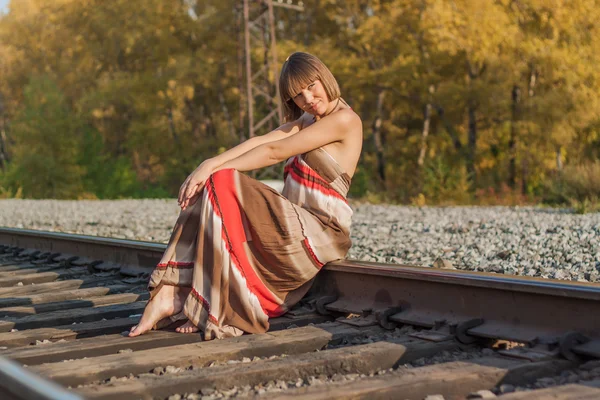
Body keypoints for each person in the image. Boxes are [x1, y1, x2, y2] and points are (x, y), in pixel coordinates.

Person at [129, 51, 363, 339]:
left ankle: (205, 300)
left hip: (321, 231)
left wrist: (215, 171)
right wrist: (208, 164)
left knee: (223, 181)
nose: (308, 98)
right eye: (298, 96)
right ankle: (170, 294)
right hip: (294, 225)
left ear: (325, 77)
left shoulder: (345, 120)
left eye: (312, 86)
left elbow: (274, 152)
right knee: (215, 182)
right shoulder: (310, 118)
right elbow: (262, 140)